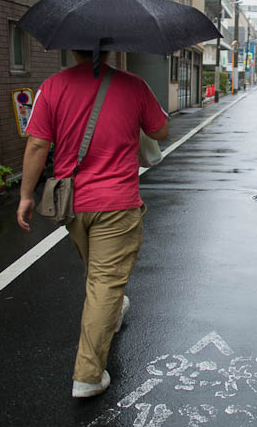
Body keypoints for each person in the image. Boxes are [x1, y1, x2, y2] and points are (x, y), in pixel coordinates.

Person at [17, 51, 168, 398]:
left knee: (98, 274)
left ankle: (111, 313)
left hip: (72, 202)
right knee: (105, 281)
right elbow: (160, 129)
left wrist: (26, 195)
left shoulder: (52, 87)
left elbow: (38, 143)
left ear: (72, 50)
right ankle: (87, 375)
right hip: (117, 201)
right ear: (110, 48)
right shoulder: (134, 85)